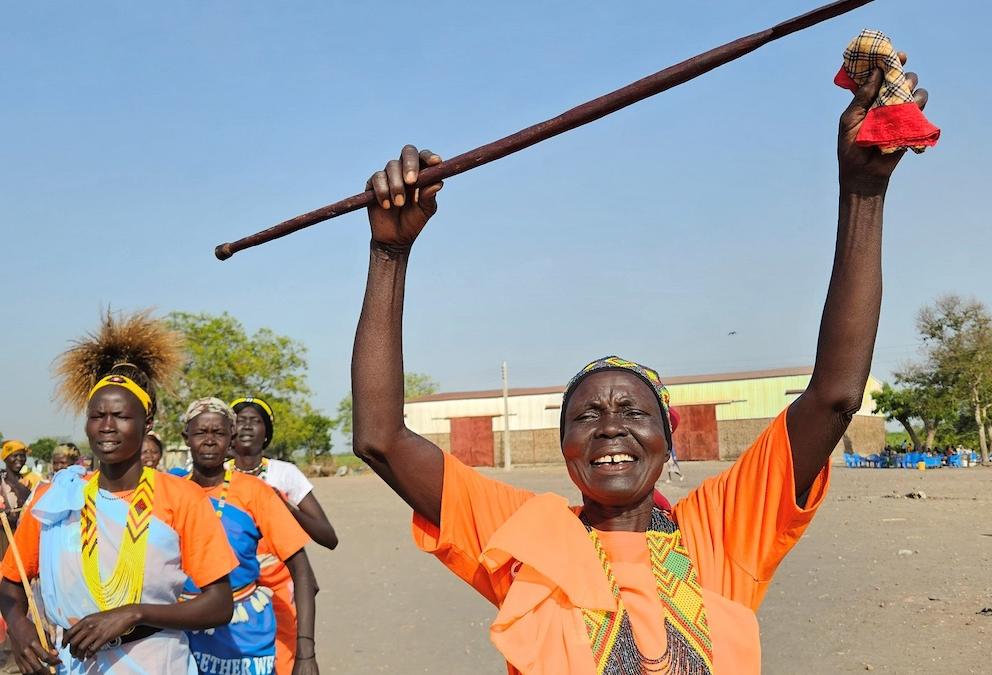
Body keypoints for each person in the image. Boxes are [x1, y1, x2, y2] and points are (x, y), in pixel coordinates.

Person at [349, 55, 927, 673]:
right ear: (564, 444)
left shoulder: (723, 531)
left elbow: (835, 396)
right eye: (587, 416)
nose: (610, 427)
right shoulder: (527, 537)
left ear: (667, 437)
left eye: (633, 412)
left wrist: (864, 192)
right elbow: (380, 439)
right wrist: (389, 251)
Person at [0, 311, 239, 673]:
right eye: (97, 416)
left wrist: (134, 612)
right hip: (72, 663)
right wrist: (19, 627)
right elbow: (10, 582)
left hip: (155, 658)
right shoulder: (56, 498)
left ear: (147, 422)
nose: (107, 428)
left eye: (121, 416)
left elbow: (221, 604)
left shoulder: (181, 497)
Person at [181, 398, 320, 675]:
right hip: (182, 632)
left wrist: (305, 653)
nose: (209, 441)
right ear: (186, 438)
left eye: (219, 433)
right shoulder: (171, 490)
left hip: (243, 636)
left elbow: (303, 573)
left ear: (231, 438)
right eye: (200, 433)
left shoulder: (256, 492)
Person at [228, 396, 337, 674]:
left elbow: (328, 536)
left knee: (280, 660)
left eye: (256, 421)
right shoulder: (217, 474)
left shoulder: (284, 473)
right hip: (231, 585)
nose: (247, 426)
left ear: (267, 433)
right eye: (240, 420)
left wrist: (284, 506)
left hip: (279, 586)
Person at [664, 408, 685, 483]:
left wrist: (674, 456)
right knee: (669, 469)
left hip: (671, 456)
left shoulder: (669, 442)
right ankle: (670, 479)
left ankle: (681, 475)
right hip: (668, 456)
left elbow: (672, 448)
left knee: (674, 468)